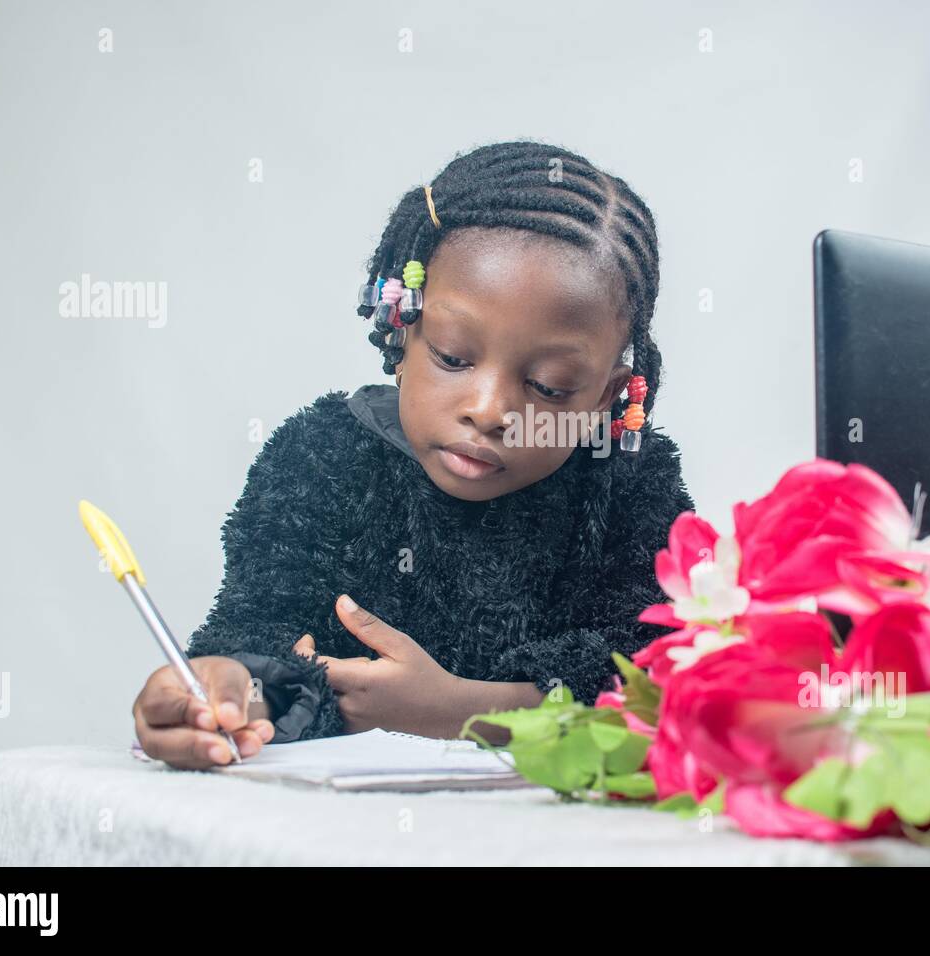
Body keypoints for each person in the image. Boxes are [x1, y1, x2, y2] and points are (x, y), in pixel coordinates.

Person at [132, 140, 695, 769]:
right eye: (453, 357)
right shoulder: (324, 458)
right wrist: (225, 691)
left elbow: (660, 676)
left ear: (604, 399)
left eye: (549, 388)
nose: (488, 409)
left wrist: (463, 712)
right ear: (402, 326)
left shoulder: (630, 490)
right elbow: (258, 626)